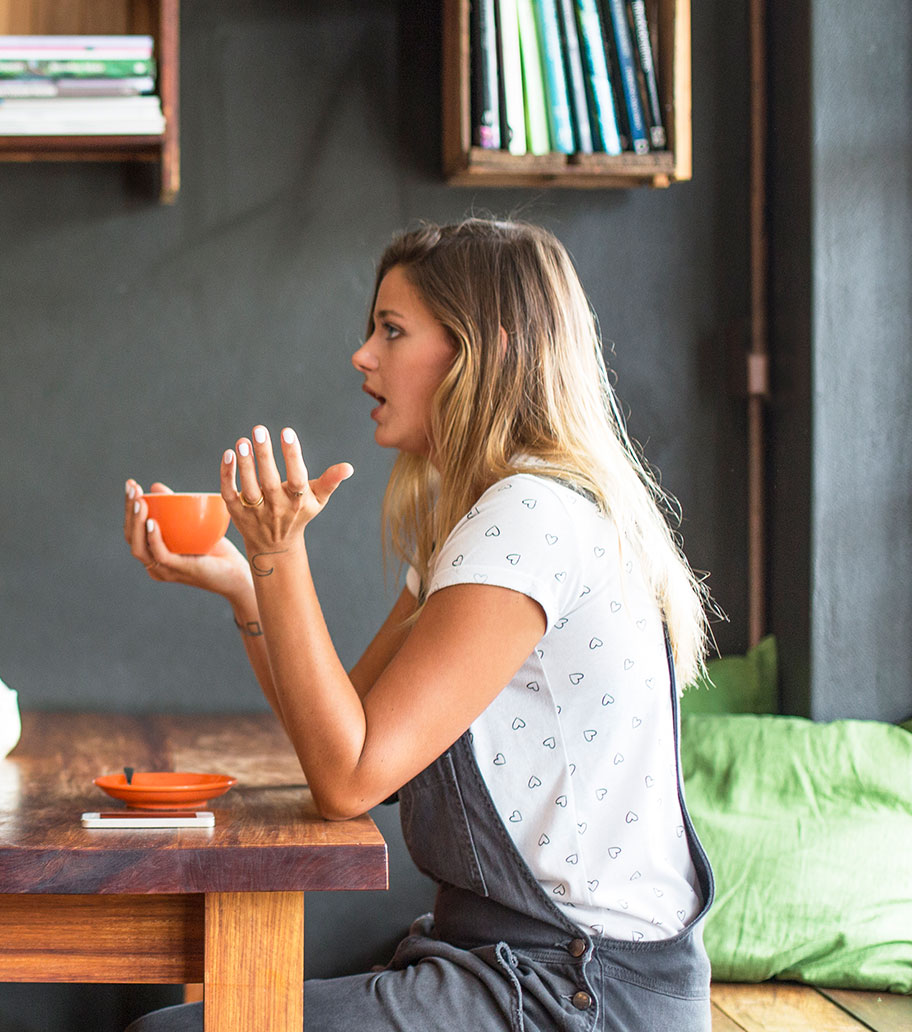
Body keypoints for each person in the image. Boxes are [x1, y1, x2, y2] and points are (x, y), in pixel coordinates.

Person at [121, 219, 717, 1031]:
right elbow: (344, 732)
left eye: (392, 331)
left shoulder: (529, 518)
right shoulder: (480, 520)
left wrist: (280, 556)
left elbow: (349, 779)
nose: (363, 355)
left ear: (486, 351)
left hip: (577, 993)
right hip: (520, 969)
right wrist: (245, 580)